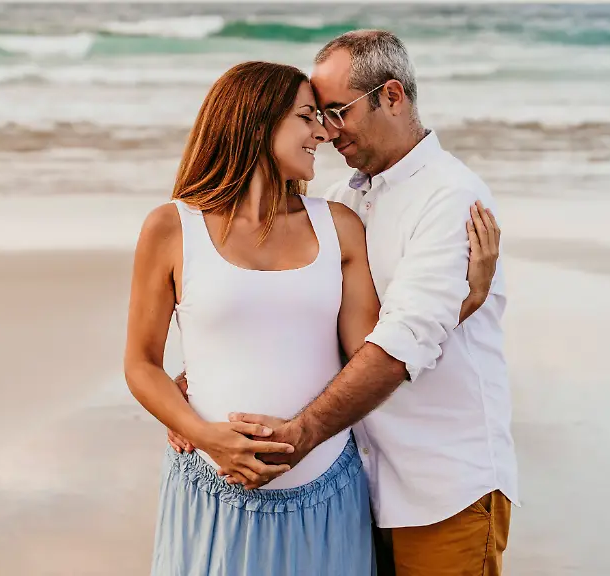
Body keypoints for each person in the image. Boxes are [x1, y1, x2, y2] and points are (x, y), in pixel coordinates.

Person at [174, 30, 519, 575]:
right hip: (353, 488)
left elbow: (402, 339)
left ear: (392, 96)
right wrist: (201, 388)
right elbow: (294, 320)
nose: (327, 132)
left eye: (337, 112)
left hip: (439, 486)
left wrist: (302, 435)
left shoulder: (450, 197)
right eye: (316, 116)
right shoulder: (340, 202)